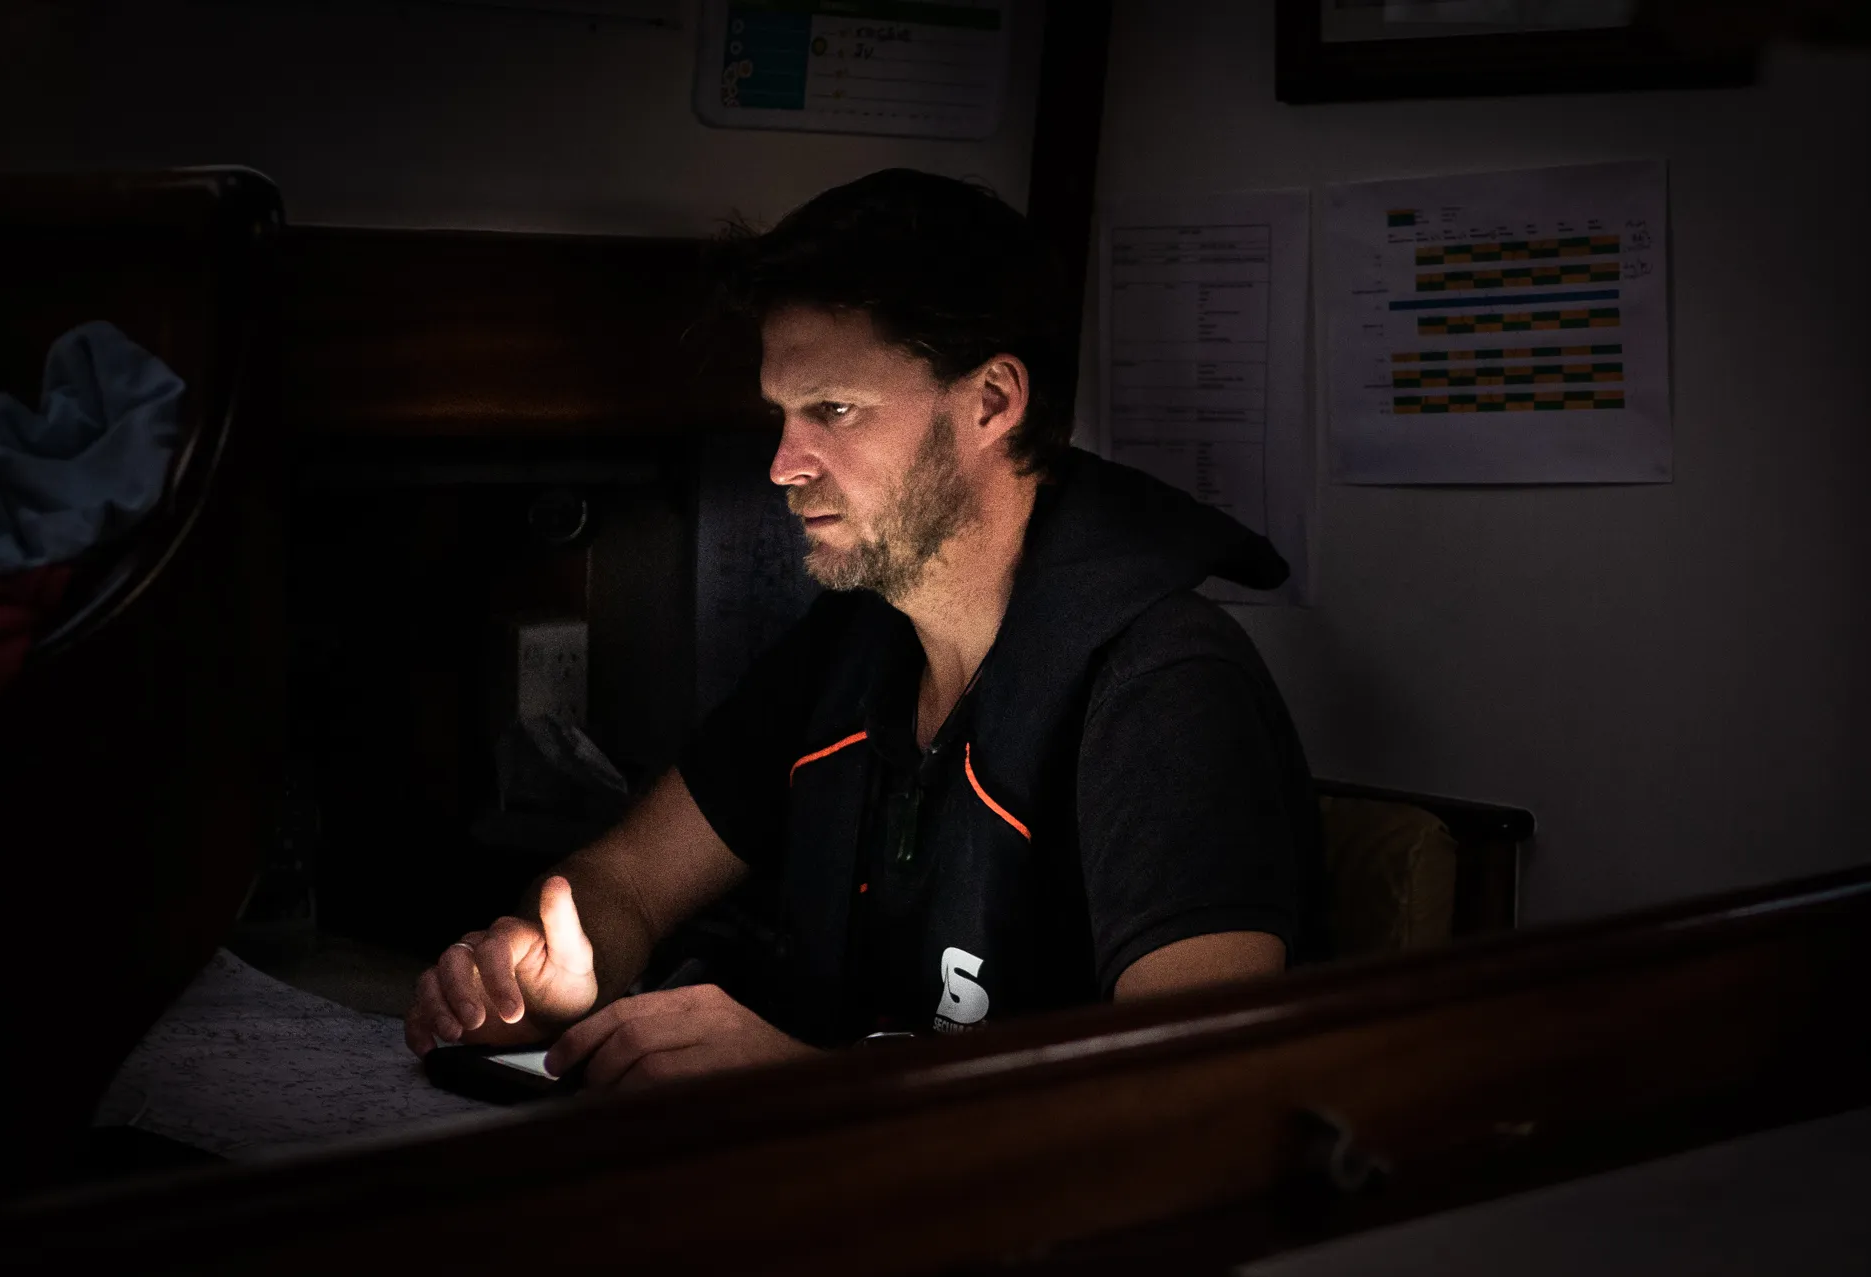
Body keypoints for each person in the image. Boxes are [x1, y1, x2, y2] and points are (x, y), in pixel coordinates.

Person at [404, 168, 1323, 1091]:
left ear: (993, 402)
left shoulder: (1163, 686)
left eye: (833, 411)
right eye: (782, 416)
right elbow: (629, 882)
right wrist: (559, 973)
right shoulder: (857, 644)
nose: (783, 465)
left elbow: (1198, 1090)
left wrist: (812, 1087)